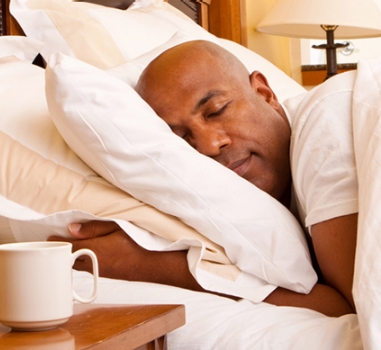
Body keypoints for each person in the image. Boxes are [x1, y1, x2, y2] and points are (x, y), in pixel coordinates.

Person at [50, 40, 358, 317]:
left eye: (217, 110)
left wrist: (143, 264)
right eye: (181, 139)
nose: (209, 145)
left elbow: (355, 307)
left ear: (265, 93)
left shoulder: (327, 125)